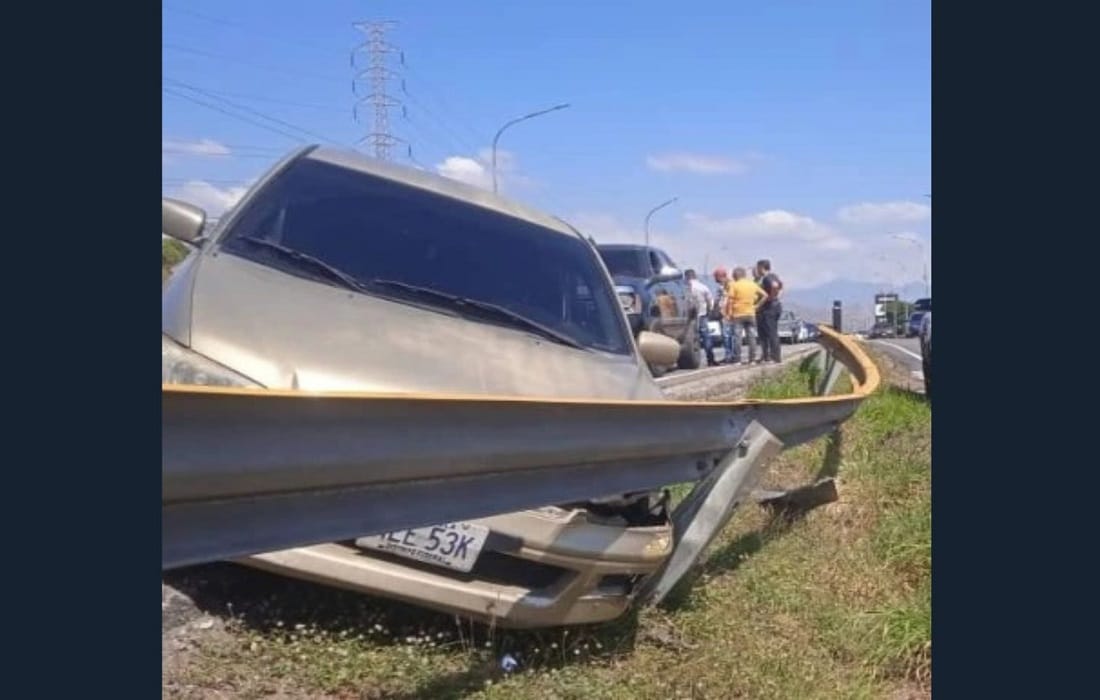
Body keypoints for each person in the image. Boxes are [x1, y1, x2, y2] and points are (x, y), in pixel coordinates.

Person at [724, 267, 766, 364]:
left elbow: (730, 300)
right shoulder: (752, 284)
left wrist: (729, 314)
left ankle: (737, 359)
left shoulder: (734, 285)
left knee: (737, 337)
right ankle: (752, 359)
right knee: (751, 337)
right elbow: (765, 295)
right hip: (750, 313)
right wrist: (757, 306)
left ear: (736, 275)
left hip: (738, 314)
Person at [754, 259, 784, 363]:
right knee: (764, 333)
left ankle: (775, 357)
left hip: (769, 308)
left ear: (761, 267)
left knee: (771, 332)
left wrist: (771, 297)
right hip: (771, 307)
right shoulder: (773, 276)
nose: (757, 270)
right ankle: (766, 356)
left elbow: (775, 286)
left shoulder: (768, 277)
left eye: (758, 268)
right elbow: (780, 285)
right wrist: (777, 295)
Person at [685, 269, 717, 366]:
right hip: (702, 314)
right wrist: (710, 311)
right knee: (706, 337)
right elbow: (710, 301)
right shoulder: (703, 287)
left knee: (691, 338)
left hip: (689, 317)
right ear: (695, 276)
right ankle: (710, 359)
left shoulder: (686, 288)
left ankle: (691, 359)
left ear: (686, 277)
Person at [712, 267, 732, 360]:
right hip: (723, 312)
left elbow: (727, 298)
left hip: (726, 313)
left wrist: (723, 310)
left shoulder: (728, 285)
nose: (715, 279)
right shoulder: (723, 285)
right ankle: (729, 354)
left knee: (727, 334)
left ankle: (730, 355)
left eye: (716, 277)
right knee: (726, 334)